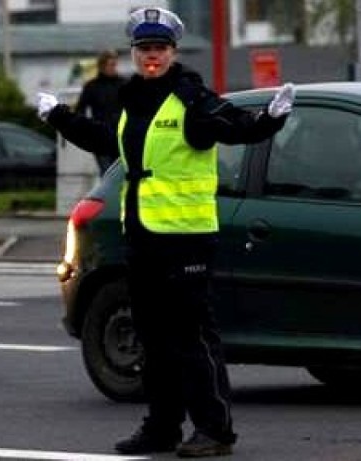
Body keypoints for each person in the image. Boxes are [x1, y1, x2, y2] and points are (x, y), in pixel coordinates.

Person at [36, 6, 294, 458]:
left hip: (186, 238)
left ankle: (215, 431)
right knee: (153, 339)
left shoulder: (190, 98)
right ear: (133, 54)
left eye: (159, 49)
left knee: (192, 337)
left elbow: (233, 126)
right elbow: (105, 140)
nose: (151, 56)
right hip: (142, 235)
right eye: (144, 49)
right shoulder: (132, 100)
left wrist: (270, 120)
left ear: (173, 52)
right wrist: (59, 116)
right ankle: (162, 427)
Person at [72, 49, 126, 175]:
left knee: (122, 174)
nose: (113, 68)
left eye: (115, 64)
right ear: (102, 66)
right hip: (100, 136)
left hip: (121, 136)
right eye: (110, 65)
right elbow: (81, 109)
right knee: (107, 173)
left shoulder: (124, 84)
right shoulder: (92, 86)